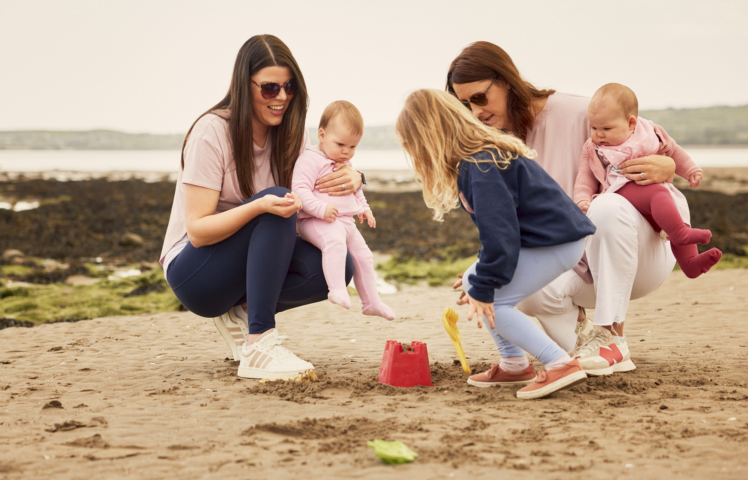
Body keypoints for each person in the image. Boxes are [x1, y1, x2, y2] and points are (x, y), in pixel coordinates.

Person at [446, 41, 681, 376]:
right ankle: (580, 346)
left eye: (480, 97)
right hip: (576, 265)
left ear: (506, 81)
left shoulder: (580, 112)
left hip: (639, 256)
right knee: (508, 281)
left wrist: (667, 166)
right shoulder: (489, 145)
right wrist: (483, 271)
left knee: (606, 207)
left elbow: (657, 145)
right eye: (465, 103)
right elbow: (510, 227)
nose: (475, 111)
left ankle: (613, 336)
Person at [160, 35, 364, 379]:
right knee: (276, 201)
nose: (282, 97)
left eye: (289, 87)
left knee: (339, 266)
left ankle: (240, 311)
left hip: (242, 266)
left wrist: (358, 177)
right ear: (245, 85)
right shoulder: (212, 132)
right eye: (270, 88)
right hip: (194, 273)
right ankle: (259, 343)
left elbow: (317, 183)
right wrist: (257, 208)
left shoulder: (290, 133)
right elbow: (197, 231)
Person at [396, 89, 596, 400]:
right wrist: (478, 273)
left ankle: (560, 363)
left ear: (429, 139)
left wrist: (485, 282)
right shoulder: (474, 163)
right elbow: (499, 233)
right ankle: (515, 364)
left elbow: (501, 236)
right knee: (479, 283)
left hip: (556, 242)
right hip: (543, 241)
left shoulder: (483, 165)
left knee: (493, 299)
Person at [575, 83, 722, 280]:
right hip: (621, 190)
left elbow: (674, 151)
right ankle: (679, 234)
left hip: (655, 202)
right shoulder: (594, 148)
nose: (599, 134)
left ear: (631, 123)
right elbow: (584, 178)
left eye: (606, 128)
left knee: (676, 205)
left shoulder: (652, 132)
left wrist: (690, 170)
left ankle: (690, 264)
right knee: (658, 194)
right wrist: (582, 200)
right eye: (593, 127)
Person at [292, 101, 395, 320]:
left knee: (365, 256)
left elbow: (355, 189)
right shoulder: (310, 159)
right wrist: (321, 209)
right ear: (321, 134)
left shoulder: (343, 161)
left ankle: (371, 303)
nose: (347, 152)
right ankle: (337, 289)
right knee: (335, 242)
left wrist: (365, 210)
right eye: (340, 144)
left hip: (345, 221)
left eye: (352, 147)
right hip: (315, 220)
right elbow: (299, 190)